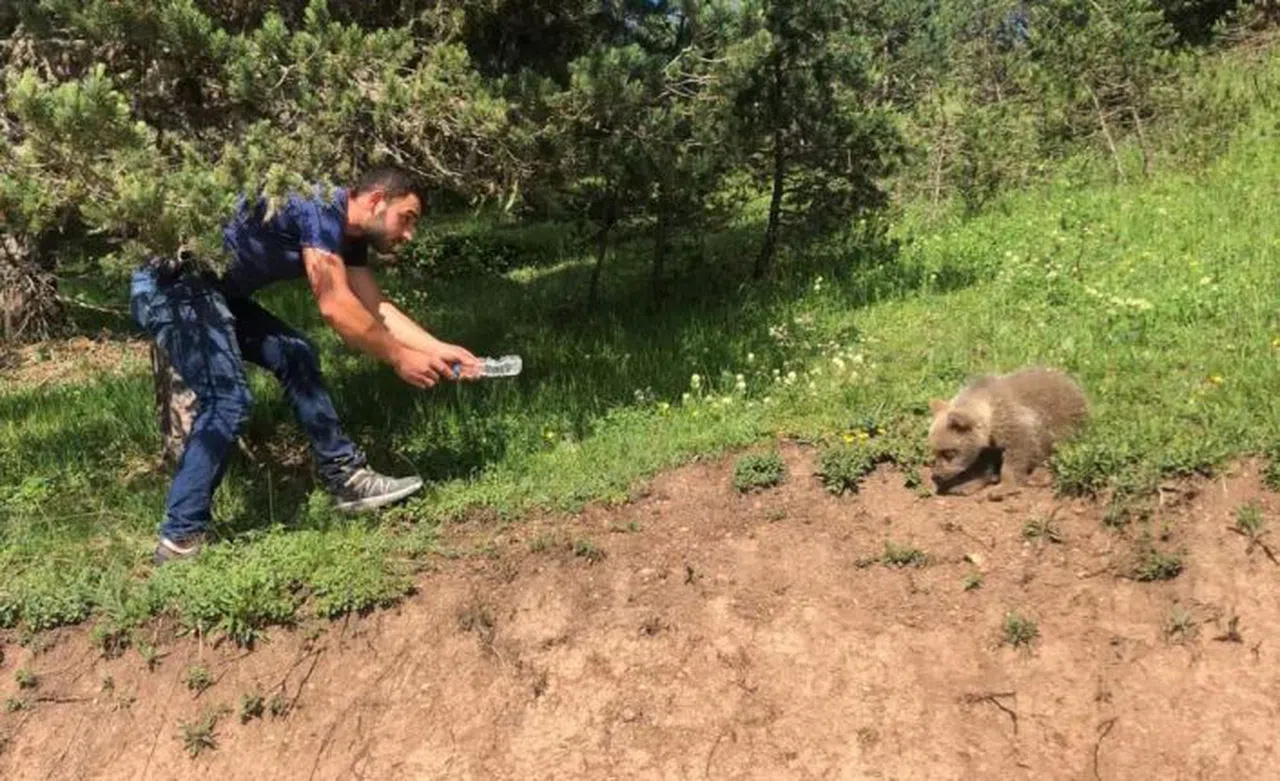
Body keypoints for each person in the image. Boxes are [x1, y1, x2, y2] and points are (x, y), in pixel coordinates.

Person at [129, 166, 482, 565]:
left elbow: (375, 308)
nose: (408, 234)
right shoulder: (320, 206)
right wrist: (400, 358)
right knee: (229, 399)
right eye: (407, 218)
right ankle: (178, 541)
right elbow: (336, 307)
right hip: (171, 286)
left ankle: (345, 478)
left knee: (295, 353)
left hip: (213, 292)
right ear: (376, 201)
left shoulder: (350, 237)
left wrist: (438, 349)